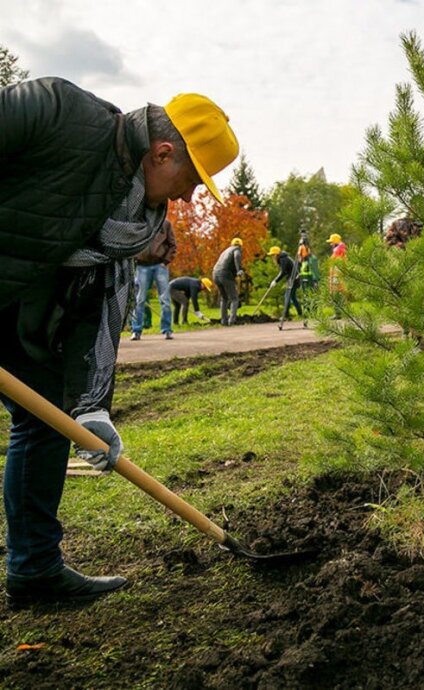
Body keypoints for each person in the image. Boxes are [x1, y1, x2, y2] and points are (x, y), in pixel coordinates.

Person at [0, 77, 239, 606]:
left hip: (18, 312)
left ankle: (34, 569)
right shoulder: (56, 112)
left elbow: (91, 308)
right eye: (193, 179)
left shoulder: (131, 223)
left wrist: (91, 405)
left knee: (46, 420)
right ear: (162, 152)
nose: (188, 195)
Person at [130, 219, 176, 340]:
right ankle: (136, 330)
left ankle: (167, 330)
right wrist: (134, 260)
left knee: (165, 299)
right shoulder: (139, 223)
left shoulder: (165, 224)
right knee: (139, 300)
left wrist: (165, 261)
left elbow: (172, 245)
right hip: (141, 266)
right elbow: (132, 243)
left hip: (160, 265)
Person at [267, 245, 303, 328]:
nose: (272, 257)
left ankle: (285, 315)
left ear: (276, 254)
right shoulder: (283, 258)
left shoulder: (283, 259)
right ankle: (300, 314)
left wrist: (275, 281)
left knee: (287, 296)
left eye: (273, 255)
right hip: (292, 279)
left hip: (293, 279)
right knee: (293, 297)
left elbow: (283, 272)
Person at [212, 237, 244, 326]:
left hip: (215, 273)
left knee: (224, 298)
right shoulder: (237, 250)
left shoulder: (225, 251)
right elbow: (236, 256)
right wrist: (239, 270)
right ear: (241, 246)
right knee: (234, 298)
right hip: (225, 274)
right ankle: (232, 321)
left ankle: (224, 321)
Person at [297, 234, 320, 328]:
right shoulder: (304, 261)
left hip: (310, 281)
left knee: (312, 299)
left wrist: (315, 281)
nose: (299, 256)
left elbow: (315, 271)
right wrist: (299, 275)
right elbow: (303, 269)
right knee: (305, 299)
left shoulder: (312, 259)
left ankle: (314, 318)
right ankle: (306, 318)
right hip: (304, 281)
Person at [327, 232, 347, 319]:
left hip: (337, 276)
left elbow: (338, 265)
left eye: (332, 242)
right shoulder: (340, 250)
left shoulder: (339, 251)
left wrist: (335, 276)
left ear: (335, 242)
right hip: (336, 275)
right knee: (339, 293)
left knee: (336, 294)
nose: (331, 244)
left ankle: (338, 313)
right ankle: (341, 313)